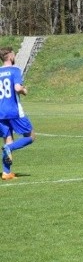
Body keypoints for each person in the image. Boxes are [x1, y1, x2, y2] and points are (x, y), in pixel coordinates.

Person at [0, 48, 35, 180]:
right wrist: (24, 90)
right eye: (13, 54)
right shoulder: (14, 70)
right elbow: (17, 88)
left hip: (0, 112)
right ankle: (9, 148)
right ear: (9, 56)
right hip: (13, 111)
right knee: (30, 136)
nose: (14, 56)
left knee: (8, 138)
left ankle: (6, 172)